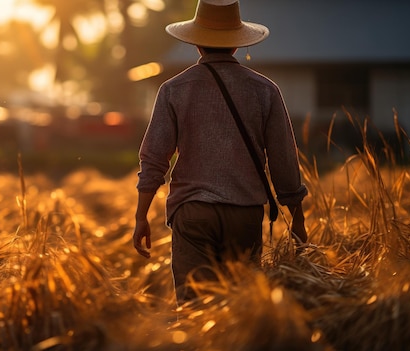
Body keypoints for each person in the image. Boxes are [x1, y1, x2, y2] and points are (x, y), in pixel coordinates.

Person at [132, 0, 308, 304]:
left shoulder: (174, 89)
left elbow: (154, 159)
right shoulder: (265, 90)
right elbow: (284, 160)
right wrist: (297, 218)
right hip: (245, 213)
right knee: (240, 307)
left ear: (197, 43)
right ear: (237, 45)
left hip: (193, 212)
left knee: (194, 307)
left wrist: (141, 217)